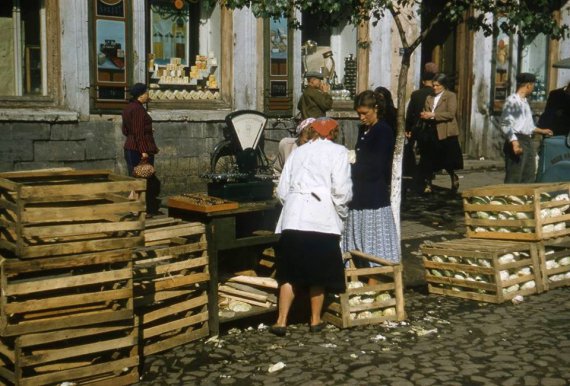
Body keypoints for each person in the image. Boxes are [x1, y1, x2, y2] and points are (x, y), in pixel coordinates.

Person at [271, 118, 352, 337]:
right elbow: (341, 190)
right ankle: (315, 320)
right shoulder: (338, 152)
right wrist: (340, 214)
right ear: (333, 133)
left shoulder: (298, 152)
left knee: (288, 272)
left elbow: (282, 190)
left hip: (294, 219)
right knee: (319, 272)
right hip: (322, 218)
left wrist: (294, 206)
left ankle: (281, 320)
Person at [343, 90, 400, 272]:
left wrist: (350, 167)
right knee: (357, 242)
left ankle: (374, 281)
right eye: (358, 113)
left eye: (365, 113)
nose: (361, 117)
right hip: (358, 194)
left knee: (374, 245)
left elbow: (376, 167)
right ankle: (358, 278)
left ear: (376, 109)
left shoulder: (383, 131)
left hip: (373, 196)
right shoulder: (364, 130)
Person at [500, 73, 553, 183]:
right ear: (528, 85)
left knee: (529, 174)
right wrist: (514, 143)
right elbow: (505, 124)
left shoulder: (524, 103)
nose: (533, 88)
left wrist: (542, 131)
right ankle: (511, 198)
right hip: (517, 140)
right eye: (533, 85)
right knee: (515, 176)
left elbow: (528, 126)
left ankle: (525, 199)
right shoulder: (512, 101)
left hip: (527, 141)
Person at [418, 73, 463, 193]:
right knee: (428, 159)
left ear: (443, 86)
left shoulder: (450, 96)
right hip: (431, 130)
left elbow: (450, 114)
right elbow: (426, 110)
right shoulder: (429, 97)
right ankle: (428, 183)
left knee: (448, 160)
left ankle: (453, 177)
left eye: (437, 85)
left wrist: (433, 115)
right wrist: (424, 114)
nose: (435, 88)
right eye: (433, 85)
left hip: (445, 132)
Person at [122, 82, 161, 216]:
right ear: (141, 95)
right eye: (146, 93)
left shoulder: (128, 108)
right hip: (139, 150)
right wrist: (143, 151)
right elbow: (138, 133)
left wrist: (148, 129)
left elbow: (126, 130)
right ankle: (141, 210)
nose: (148, 95)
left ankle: (134, 209)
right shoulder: (138, 110)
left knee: (135, 179)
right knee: (144, 181)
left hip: (130, 147)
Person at [405, 72, 435, 180]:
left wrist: (407, 128)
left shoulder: (416, 94)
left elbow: (410, 112)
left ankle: (420, 176)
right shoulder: (436, 94)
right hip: (432, 128)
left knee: (419, 152)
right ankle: (427, 178)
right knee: (429, 154)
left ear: (423, 81)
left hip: (418, 127)